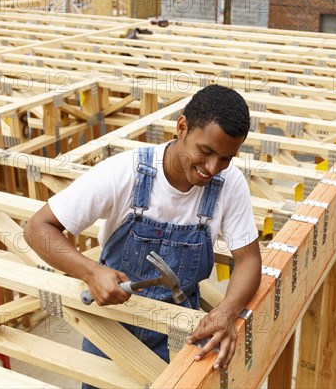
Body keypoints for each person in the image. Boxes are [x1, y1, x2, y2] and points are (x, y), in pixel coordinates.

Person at [24, 85, 262, 382]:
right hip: (112, 326)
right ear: (182, 127)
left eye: (226, 158)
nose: (213, 168)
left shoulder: (230, 183)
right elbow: (37, 229)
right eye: (206, 152)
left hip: (181, 328)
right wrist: (90, 272)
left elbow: (249, 258)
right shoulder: (125, 172)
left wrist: (227, 310)